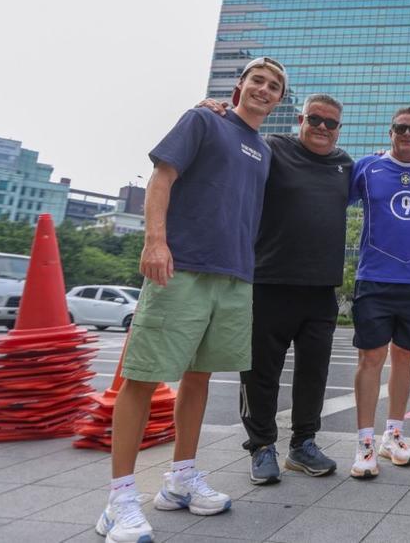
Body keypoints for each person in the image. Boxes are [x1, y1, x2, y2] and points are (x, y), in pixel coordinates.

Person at [97, 57, 283, 543]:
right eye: (257, 81)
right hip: (183, 266)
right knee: (142, 377)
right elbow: (162, 178)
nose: (264, 89)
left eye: (274, 86)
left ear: (280, 100)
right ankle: (118, 501)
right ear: (239, 86)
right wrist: (154, 242)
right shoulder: (204, 119)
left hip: (235, 275)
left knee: (199, 378)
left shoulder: (262, 150)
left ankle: (180, 479)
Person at [236, 94, 353, 485]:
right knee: (260, 372)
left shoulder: (344, 165)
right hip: (269, 282)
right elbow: (237, 136)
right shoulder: (272, 148)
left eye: (330, 123)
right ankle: (262, 446)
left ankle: (303, 444)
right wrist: (215, 109)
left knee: (314, 372)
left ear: (339, 129)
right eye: (315, 119)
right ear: (301, 118)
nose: (322, 127)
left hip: (321, 288)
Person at [349, 107, 410, 479]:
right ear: (390, 132)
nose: (407, 134)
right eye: (401, 128)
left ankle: (394, 434)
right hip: (374, 278)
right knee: (370, 358)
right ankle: (364, 442)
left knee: (405, 357)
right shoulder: (367, 168)